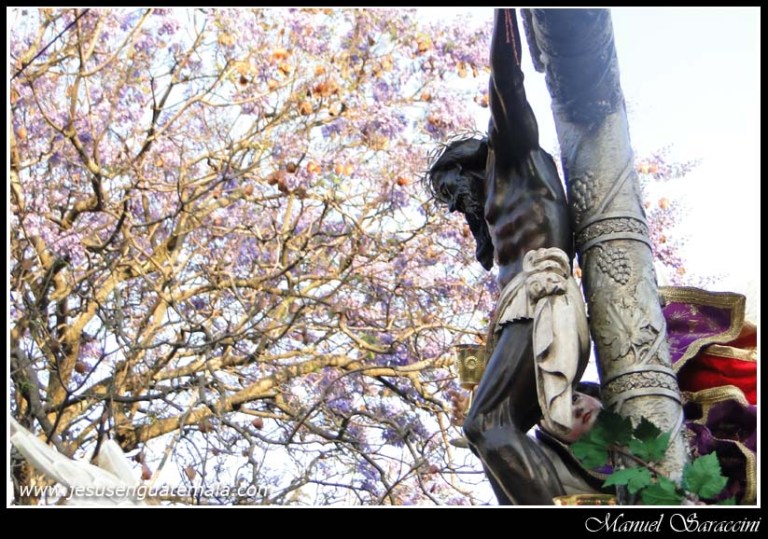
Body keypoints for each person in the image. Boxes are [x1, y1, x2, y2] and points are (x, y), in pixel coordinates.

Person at [426, 9, 590, 504]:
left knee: (485, 423)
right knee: (493, 442)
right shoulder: (498, 216)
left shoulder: (511, 156)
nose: (457, 205)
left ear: (465, 169)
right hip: (525, 309)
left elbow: (505, 75)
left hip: (540, 302)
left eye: (451, 190)